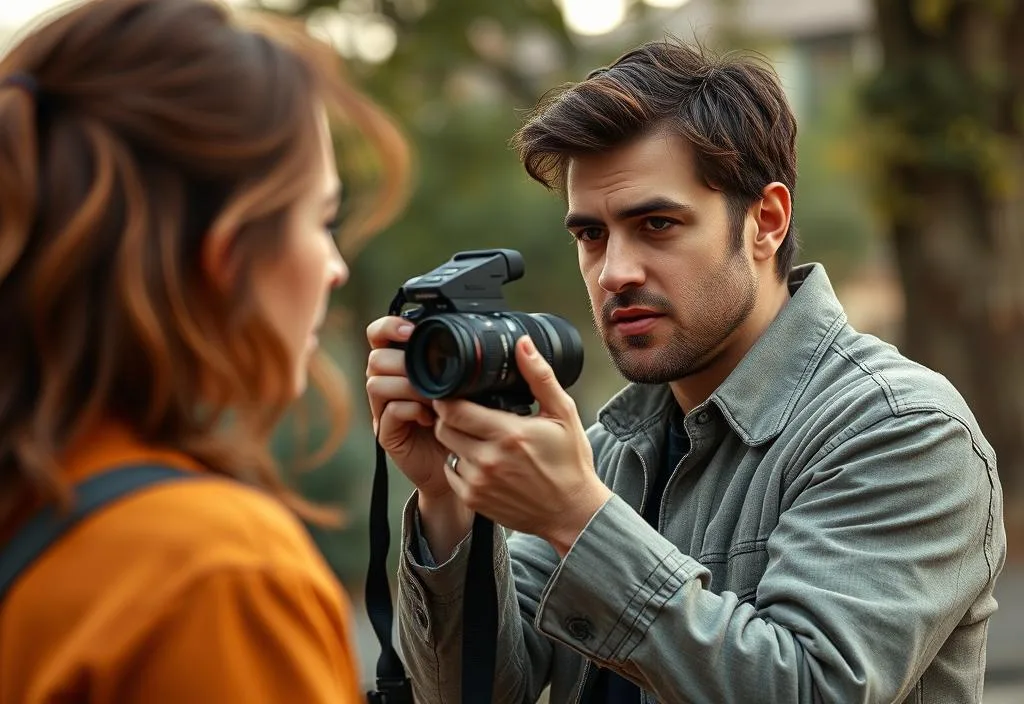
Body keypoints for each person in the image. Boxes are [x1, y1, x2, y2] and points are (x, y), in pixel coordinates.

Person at [366, 39, 1006, 703]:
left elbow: (813, 690)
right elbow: (479, 692)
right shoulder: (607, 450)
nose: (615, 272)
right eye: (591, 235)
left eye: (658, 224)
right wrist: (447, 500)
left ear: (766, 221)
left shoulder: (902, 431)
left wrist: (581, 521)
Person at [0, 0, 408, 701]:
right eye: (321, 219)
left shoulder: (35, 502)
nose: (335, 266)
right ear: (228, 253)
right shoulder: (218, 575)